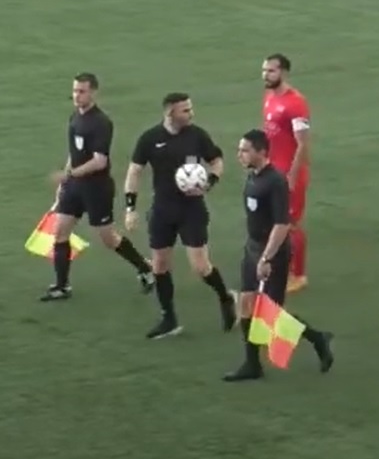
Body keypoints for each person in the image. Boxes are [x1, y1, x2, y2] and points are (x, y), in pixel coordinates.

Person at [224, 129, 335, 382]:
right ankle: (252, 364)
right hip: (252, 249)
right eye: (239, 150)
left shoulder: (275, 182)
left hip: (272, 253)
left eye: (245, 150)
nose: (239, 155)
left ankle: (317, 339)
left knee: (271, 314)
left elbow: (282, 225)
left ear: (261, 152)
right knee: (246, 303)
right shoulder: (253, 176)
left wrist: (266, 258)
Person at [123, 92, 236, 339]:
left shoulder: (197, 136)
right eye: (185, 110)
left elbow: (216, 161)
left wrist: (210, 181)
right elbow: (134, 171)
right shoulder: (150, 138)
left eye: (190, 108)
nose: (191, 113)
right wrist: (130, 208)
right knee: (160, 266)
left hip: (191, 210)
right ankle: (169, 319)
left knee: (200, 267)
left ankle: (226, 298)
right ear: (169, 112)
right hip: (162, 210)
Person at [41, 72, 154, 301]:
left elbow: (99, 161)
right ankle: (62, 286)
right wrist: (66, 179)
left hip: (96, 189)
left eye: (82, 91)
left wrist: (69, 174)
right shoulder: (75, 118)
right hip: (74, 187)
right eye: (75, 91)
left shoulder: (101, 123)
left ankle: (145, 268)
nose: (77, 95)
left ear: (93, 92)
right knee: (60, 232)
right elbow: (74, 154)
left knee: (108, 238)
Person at [261, 54, 312, 292]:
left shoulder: (295, 103)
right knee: (273, 221)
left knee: (290, 224)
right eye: (264, 70)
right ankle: (281, 266)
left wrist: (292, 176)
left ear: (283, 72)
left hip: (290, 174)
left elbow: (303, 143)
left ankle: (298, 275)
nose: (266, 75)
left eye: (271, 71)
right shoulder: (269, 98)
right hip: (272, 171)